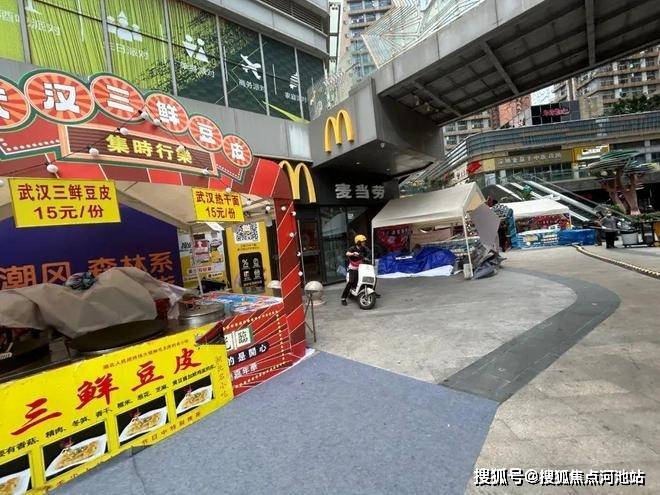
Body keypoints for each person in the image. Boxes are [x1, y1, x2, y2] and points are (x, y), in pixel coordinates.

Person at [341, 234, 371, 305]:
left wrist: (368, 257)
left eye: (364, 241)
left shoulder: (364, 248)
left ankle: (371, 292)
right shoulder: (353, 248)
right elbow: (347, 253)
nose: (364, 243)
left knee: (370, 278)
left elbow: (369, 252)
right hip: (353, 268)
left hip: (362, 267)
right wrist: (353, 253)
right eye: (363, 241)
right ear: (358, 242)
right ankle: (343, 298)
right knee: (351, 282)